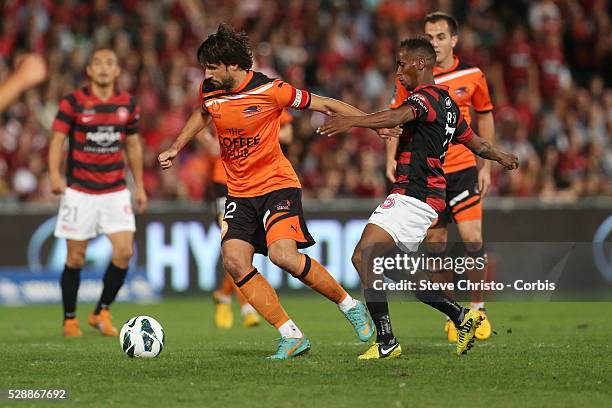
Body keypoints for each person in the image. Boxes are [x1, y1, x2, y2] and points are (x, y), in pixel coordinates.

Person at [158, 24, 381, 359]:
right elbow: (202, 114)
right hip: (239, 192)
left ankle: (349, 305)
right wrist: (176, 146)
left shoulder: (272, 90)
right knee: (234, 261)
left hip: (277, 185)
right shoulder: (210, 90)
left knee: (283, 256)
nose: (206, 74)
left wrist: (376, 124)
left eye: (211, 67)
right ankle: (291, 335)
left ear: (233, 66)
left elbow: (324, 104)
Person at [318, 38, 518, 359]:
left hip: (415, 191)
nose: (398, 72)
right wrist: (502, 156)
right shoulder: (449, 104)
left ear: (420, 64)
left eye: (402, 64)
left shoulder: (424, 99)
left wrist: (352, 120)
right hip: (426, 195)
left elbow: (398, 116)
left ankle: (386, 342)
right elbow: (477, 143)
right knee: (400, 270)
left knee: (363, 256)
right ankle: (460, 316)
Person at [387, 12, 496, 342]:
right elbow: (397, 117)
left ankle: (479, 310)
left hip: (462, 168)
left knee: (473, 236)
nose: (433, 41)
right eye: (429, 36)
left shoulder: (473, 75)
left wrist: (486, 164)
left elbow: (484, 117)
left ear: (453, 40)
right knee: (436, 245)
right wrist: (390, 156)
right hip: (428, 172)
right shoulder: (411, 75)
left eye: (439, 36)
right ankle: (454, 313)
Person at [48, 48, 147, 337]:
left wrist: (139, 186)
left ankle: (101, 311)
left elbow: (133, 145)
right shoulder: (74, 102)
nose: (104, 67)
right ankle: (70, 319)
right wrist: (54, 175)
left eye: (110, 63)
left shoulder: (128, 103)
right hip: (79, 190)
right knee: (75, 258)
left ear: (117, 71)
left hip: (115, 190)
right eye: (98, 63)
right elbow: (57, 141)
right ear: (89, 70)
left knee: (125, 252)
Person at [210, 110, 293, 329]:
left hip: (257, 182)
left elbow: (288, 134)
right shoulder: (220, 97)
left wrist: (261, 135)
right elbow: (198, 121)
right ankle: (247, 309)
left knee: (246, 250)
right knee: (235, 245)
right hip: (225, 181)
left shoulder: (266, 97)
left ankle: (222, 294)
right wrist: (210, 142)